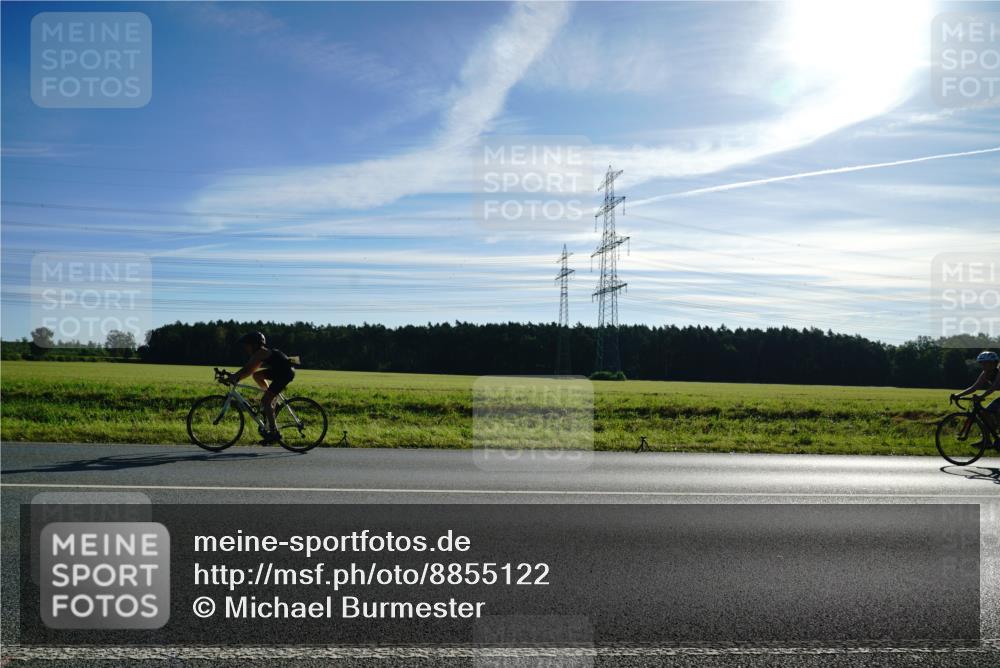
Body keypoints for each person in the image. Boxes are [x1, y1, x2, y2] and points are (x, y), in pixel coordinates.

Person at [229, 331, 296, 444]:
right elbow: (252, 371)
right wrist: (235, 377)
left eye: (247, 345)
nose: (246, 348)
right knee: (257, 375)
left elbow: (247, 369)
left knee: (265, 401)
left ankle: (274, 433)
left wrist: (234, 377)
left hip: (284, 374)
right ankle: (271, 400)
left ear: (254, 344)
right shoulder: (260, 353)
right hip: (280, 371)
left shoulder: (260, 353)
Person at [951, 350, 1000, 436]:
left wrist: (982, 396)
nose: (983, 365)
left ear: (993, 363)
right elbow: (974, 387)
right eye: (982, 363)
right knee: (985, 413)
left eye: (985, 363)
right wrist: (958, 395)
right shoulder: (985, 373)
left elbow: (994, 387)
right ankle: (987, 442)